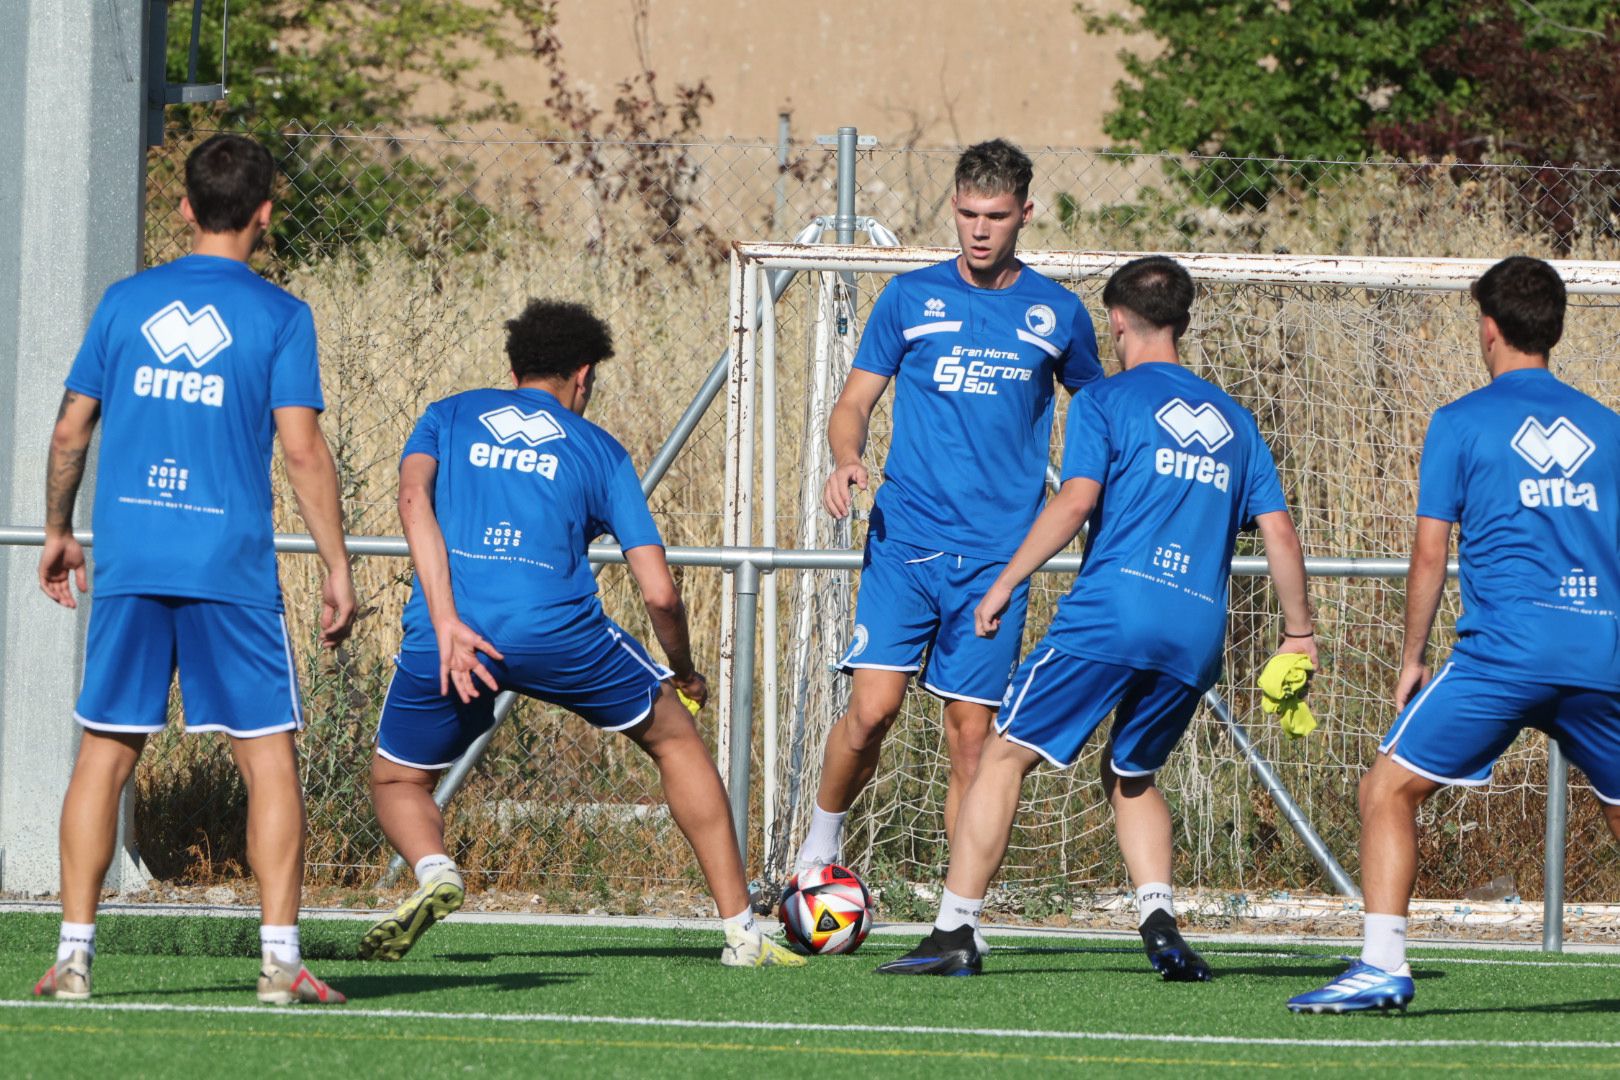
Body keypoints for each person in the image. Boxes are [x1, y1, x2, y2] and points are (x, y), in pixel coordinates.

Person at [877, 256, 1317, 978]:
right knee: (1132, 771)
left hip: (1113, 613)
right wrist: (1298, 634)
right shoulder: (1236, 423)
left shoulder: (1107, 402)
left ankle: (955, 930)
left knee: (1004, 753)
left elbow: (1076, 500)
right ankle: (1161, 925)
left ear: (1116, 323)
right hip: (1199, 630)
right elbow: (1280, 533)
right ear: (1182, 319)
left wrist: (1003, 584)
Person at [358, 299, 803, 969]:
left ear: (513, 368)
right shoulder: (599, 449)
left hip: (448, 635)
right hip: (558, 632)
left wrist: (447, 619)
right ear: (583, 376)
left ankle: (434, 871)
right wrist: (682, 670)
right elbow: (658, 591)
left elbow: (413, 499)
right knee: (674, 739)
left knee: (397, 781)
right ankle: (742, 931)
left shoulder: (446, 416)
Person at [33, 134, 356, 1005]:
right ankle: (281, 965)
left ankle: (72, 960)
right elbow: (302, 447)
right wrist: (337, 563)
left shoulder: (125, 302)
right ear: (264, 214)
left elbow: (70, 432)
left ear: (184, 209)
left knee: (105, 751)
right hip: (230, 567)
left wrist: (59, 529)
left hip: (132, 556)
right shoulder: (282, 315)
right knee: (269, 762)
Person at [1288, 255, 1620, 1013]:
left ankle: (1381, 966)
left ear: (1490, 328)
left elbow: (1432, 551)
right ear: (1556, 331)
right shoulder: (1610, 430)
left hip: (1504, 657)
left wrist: (1411, 658)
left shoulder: (1461, 421)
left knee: (1387, 789)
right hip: (1603, 652)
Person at [794, 140, 1103, 905]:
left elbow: (1099, 412)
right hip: (906, 543)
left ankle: (956, 913)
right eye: (967, 213)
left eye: (996, 216)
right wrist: (845, 458)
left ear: (1024, 215)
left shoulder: (1057, 312)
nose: (979, 229)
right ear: (954, 208)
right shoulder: (908, 299)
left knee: (972, 739)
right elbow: (854, 403)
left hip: (998, 561)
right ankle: (816, 850)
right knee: (872, 712)